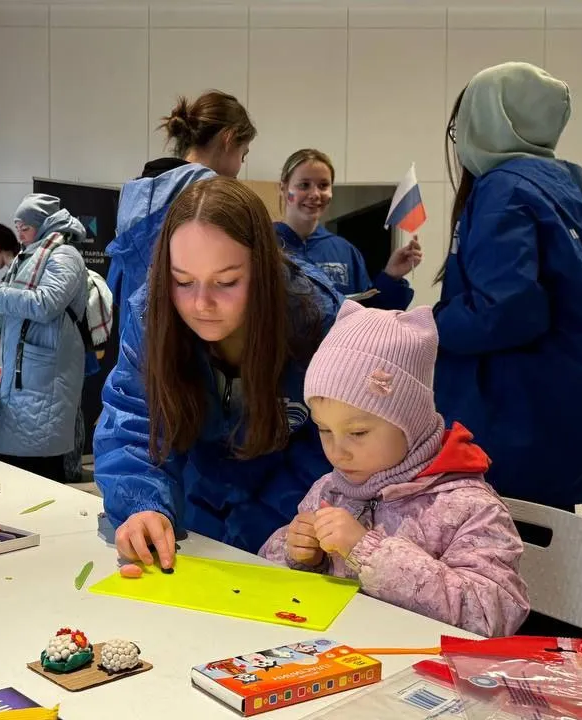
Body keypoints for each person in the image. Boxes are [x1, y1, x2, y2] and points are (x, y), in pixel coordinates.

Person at [95, 177, 342, 566]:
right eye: (182, 281)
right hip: (191, 520)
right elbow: (134, 420)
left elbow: (332, 448)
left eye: (226, 282)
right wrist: (143, 504)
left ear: (263, 269)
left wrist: (266, 523)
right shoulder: (151, 313)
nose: (201, 304)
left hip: (292, 530)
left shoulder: (316, 318)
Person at [433, 62, 582, 510]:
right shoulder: (563, 187)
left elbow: (504, 312)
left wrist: (427, 326)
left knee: (491, 551)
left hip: (508, 432)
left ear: (486, 120)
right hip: (557, 429)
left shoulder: (504, 191)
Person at [259, 301, 529, 638]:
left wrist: (367, 551)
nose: (338, 451)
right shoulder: (331, 490)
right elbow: (271, 578)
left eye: (358, 433)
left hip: (421, 666)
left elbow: (492, 615)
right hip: (339, 655)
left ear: (410, 424)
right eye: (324, 430)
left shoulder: (469, 507)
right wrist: (298, 553)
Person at [106, 90, 256, 326]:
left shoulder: (135, 193)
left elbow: (115, 284)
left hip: (133, 337)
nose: (240, 166)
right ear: (229, 138)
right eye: (243, 155)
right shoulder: (213, 195)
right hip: (188, 333)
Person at [0, 194, 88, 482]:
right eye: (17, 227)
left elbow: (46, 303)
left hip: (44, 375)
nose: (20, 234)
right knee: (18, 469)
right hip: (29, 373)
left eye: (24, 227)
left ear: (44, 223)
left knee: (40, 470)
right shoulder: (30, 256)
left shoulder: (64, 255)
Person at [274, 148, 420, 309]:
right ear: (283, 189)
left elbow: (366, 314)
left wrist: (391, 276)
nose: (315, 194)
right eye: (304, 185)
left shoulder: (345, 251)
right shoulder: (264, 246)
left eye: (323, 185)